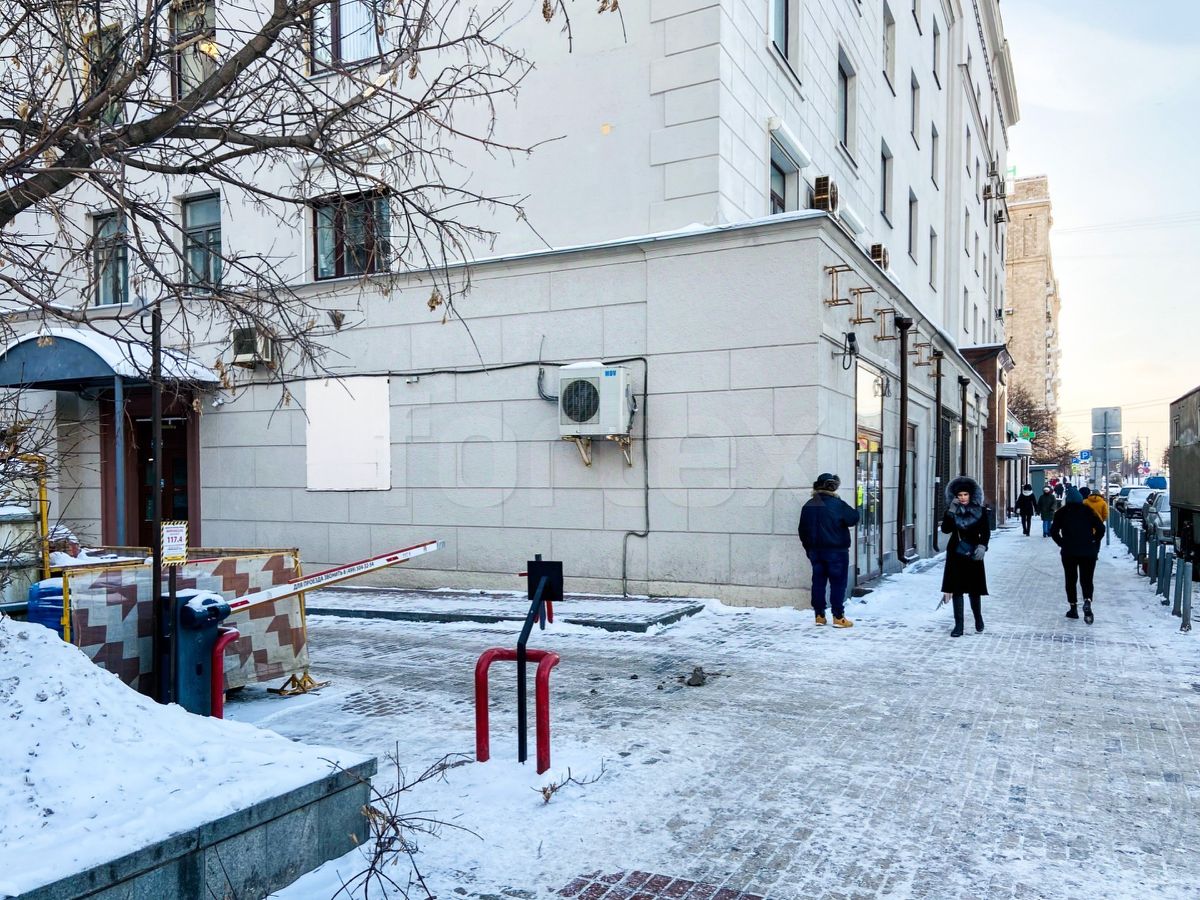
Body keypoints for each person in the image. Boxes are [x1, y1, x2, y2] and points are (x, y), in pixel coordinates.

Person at [798, 473, 860, 628]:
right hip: (836, 552)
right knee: (838, 583)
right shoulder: (838, 504)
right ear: (833, 487)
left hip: (815, 552)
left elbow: (802, 530)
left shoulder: (808, 505)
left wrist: (809, 549)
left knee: (818, 582)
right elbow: (853, 518)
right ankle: (838, 617)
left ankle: (819, 615)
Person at [940, 475, 990, 637]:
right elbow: (945, 530)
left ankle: (978, 618)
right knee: (957, 590)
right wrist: (951, 511)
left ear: (971, 495)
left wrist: (982, 546)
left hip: (974, 552)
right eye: (959, 495)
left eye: (965, 494)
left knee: (974, 589)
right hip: (956, 553)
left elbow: (986, 532)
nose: (962, 498)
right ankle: (958, 626)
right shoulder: (952, 510)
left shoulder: (981, 511)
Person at [1050, 485, 1105, 624]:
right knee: (1087, 579)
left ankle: (1073, 607)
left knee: (1070, 579)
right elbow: (1101, 528)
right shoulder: (1088, 511)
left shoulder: (1061, 513)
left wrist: (1062, 543)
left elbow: (1054, 531)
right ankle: (1087, 600)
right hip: (1088, 551)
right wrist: (1094, 540)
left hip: (1069, 551)